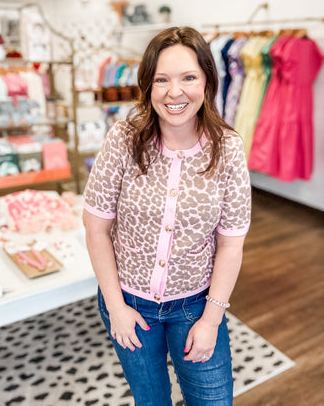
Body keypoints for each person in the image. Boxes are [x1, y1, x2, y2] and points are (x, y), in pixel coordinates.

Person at [82, 26, 251, 406]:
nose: (175, 92)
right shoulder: (123, 138)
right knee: (151, 399)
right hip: (128, 304)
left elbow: (231, 243)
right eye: (162, 80)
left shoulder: (228, 148)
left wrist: (210, 320)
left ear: (207, 80)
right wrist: (115, 307)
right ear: (147, 86)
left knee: (213, 400)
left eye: (189, 77)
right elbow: (96, 229)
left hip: (196, 306)